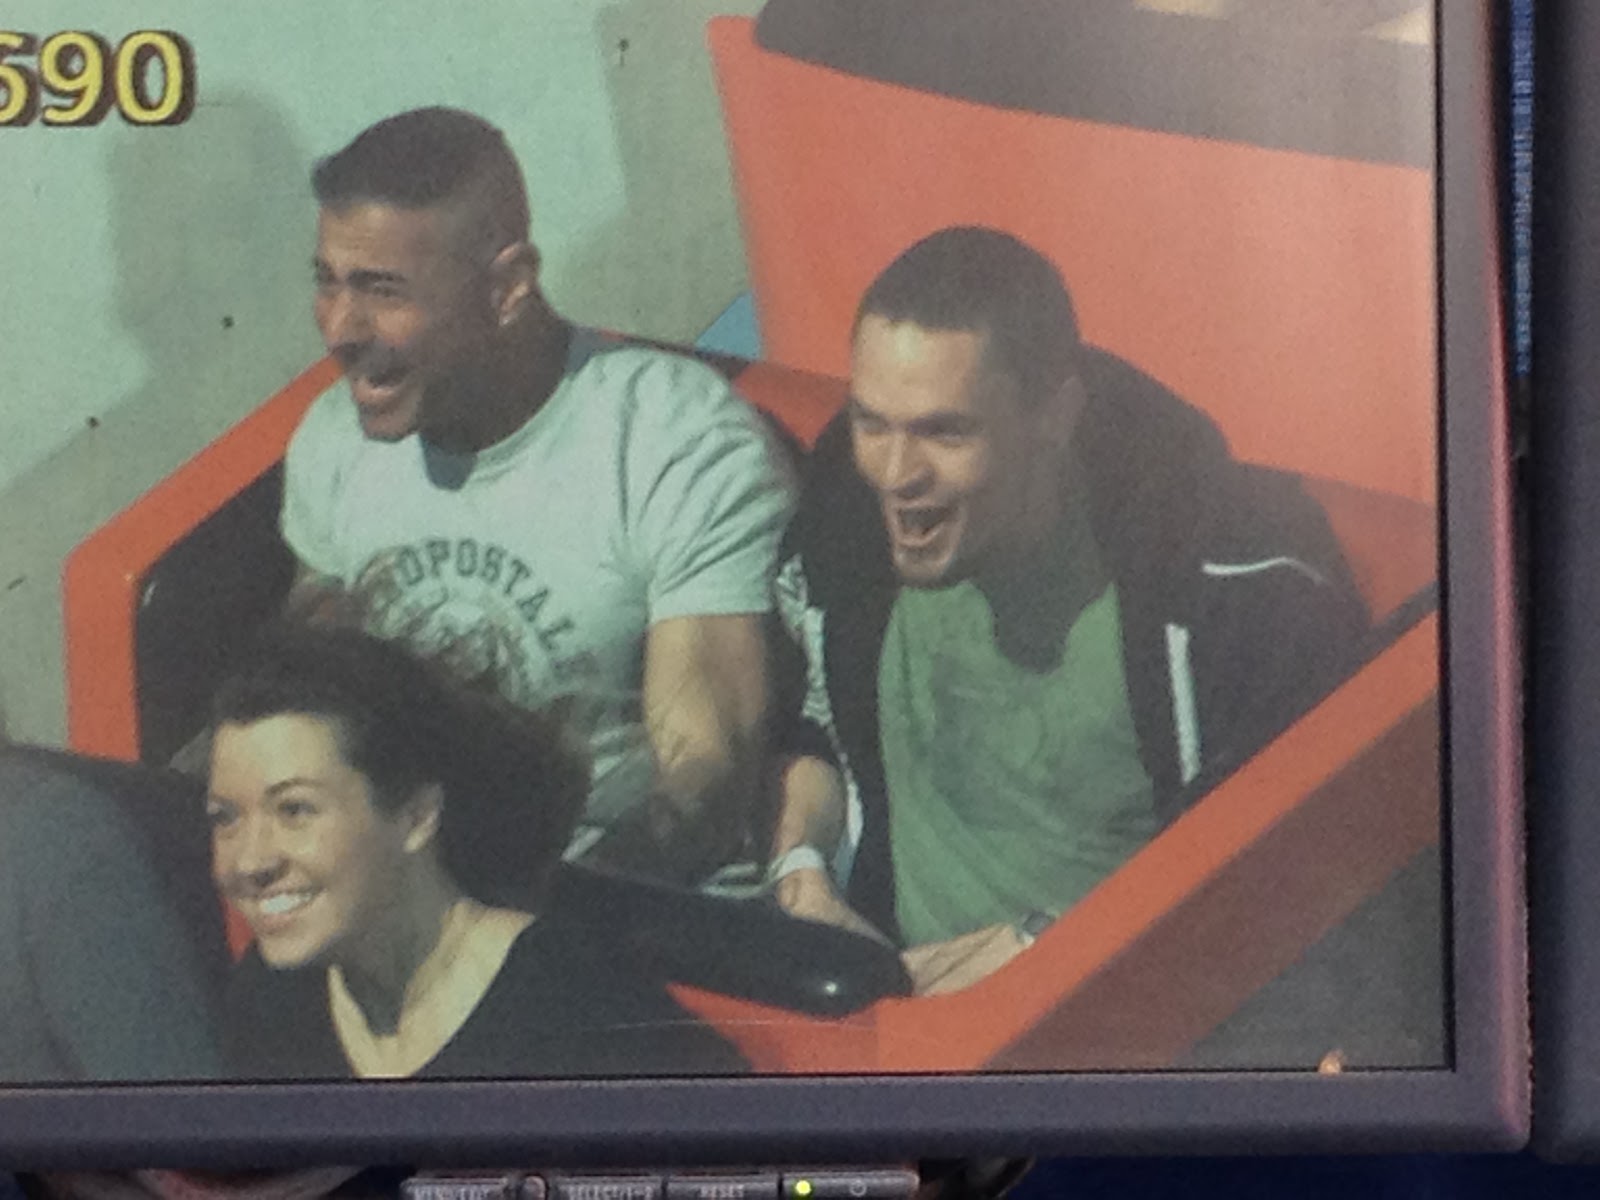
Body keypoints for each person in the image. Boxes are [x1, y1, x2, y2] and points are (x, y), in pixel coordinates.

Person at [767, 226, 1369, 994]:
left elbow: (1287, 882)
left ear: (1055, 414)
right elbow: (810, 718)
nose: (894, 473)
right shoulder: (846, 508)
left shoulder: (1230, 587)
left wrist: (1043, 952)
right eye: (871, 423)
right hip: (885, 1006)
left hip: (1127, 1015)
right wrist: (802, 872)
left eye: (945, 432)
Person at [281, 107, 794, 887]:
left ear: (507, 288)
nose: (340, 329)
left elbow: (703, 786)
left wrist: (515, 924)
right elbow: (309, 706)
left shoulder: (672, 440)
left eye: (382, 290)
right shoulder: (332, 440)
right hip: (402, 895)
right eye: (327, 282)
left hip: (625, 907)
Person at [209, 625, 746, 1079]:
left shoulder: (586, 1017)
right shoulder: (273, 1000)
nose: (250, 861)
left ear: (416, 816)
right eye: (225, 817)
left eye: (295, 810)